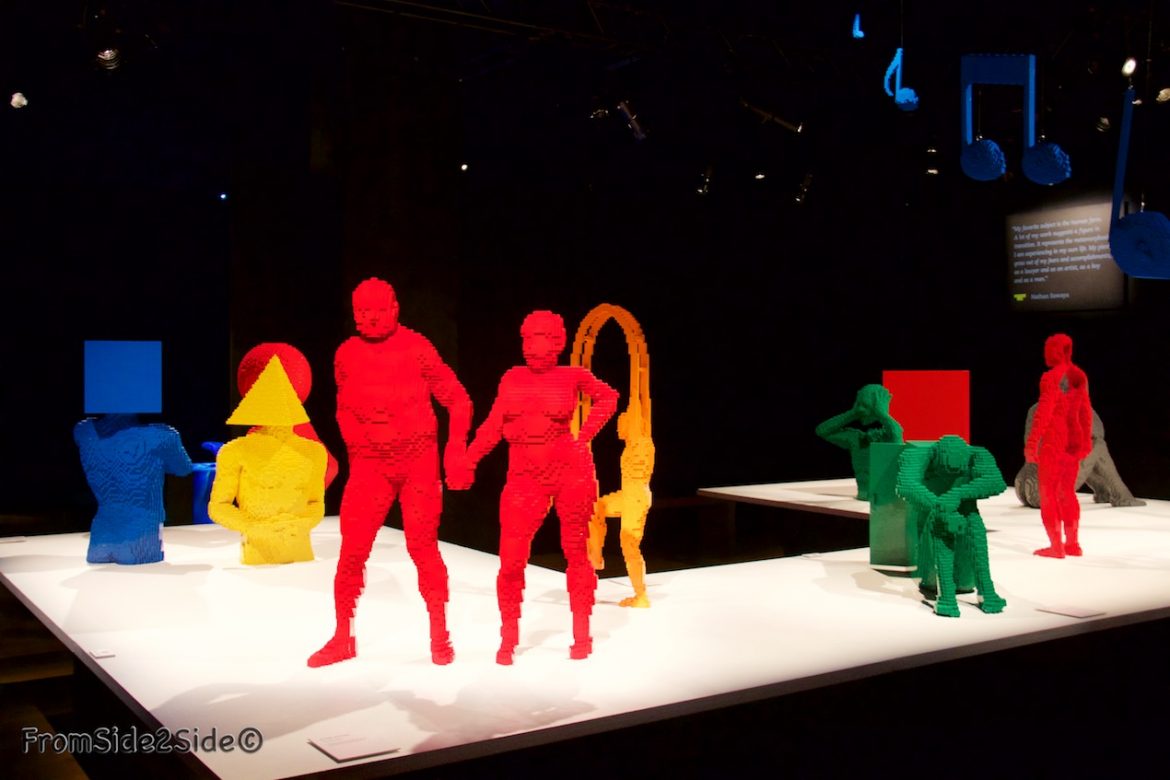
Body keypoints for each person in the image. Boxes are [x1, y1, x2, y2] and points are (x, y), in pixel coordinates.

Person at [308, 278, 472, 667]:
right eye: (361, 312)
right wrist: (358, 445)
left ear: (395, 309)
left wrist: (455, 450)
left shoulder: (417, 348)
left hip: (417, 465)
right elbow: (343, 408)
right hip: (370, 466)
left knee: (423, 547)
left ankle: (439, 634)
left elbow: (458, 400)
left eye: (377, 311)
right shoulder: (347, 354)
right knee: (352, 551)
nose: (369, 319)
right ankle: (343, 636)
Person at [465, 311, 618, 664]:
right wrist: (470, 459)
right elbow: (493, 425)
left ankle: (582, 632)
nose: (534, 347)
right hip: (524, 475)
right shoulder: (512, 378)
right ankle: (508, 636)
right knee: (510, 559)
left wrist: (584, 436)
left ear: (558, 343)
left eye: (542, 339)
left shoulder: (572, 376)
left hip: (570, 471)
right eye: (528, 339)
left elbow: (608, 397)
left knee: (576, 551)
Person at [208, 356, 328, 565]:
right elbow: (218, 507)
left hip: (299, 548)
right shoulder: (235, 451)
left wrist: (301, 524)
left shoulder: (314, 452)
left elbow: (316, 503)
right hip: (258, 551)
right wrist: (254, 528)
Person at [896, 435, 1007, 618]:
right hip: (935, 512)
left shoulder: (977, 455)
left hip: (965, 511)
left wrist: (957, 494)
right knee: (941, 526)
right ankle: (947, 596)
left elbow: (995, 481)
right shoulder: (918, 455)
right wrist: (941, 507)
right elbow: (906, 485)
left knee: (973, 523)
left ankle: (985, 591)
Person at [75, 414, 194, 564]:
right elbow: (183, 468)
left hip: (102, 533)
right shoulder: (162, 436)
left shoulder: (84, 430)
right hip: (142, 531)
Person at [1024, 333, 1092, 558]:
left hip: (1055, 441)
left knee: (1048, 493)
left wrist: (1032, 442)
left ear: (1057, 351)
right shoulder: (1079, 375)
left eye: (1049, 348)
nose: (1046, 353)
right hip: (1073, 442)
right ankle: (1072, 543)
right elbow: (1085, 411)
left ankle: (1056, 546)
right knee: (1067, 492)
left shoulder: (1051, 377)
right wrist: (1085, 441)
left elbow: (1044, 411)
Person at [815, 384, 904, 500]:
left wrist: (882, 414)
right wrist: (853, 413)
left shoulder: (887, 439)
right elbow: (822, 431)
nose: (861, 409)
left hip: (884, 502)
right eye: (859, 404)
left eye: (865, 406)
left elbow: (896, 433)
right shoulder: (857, 439)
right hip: (865, 497)